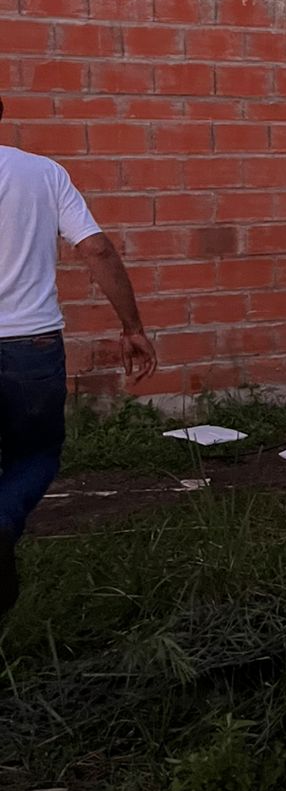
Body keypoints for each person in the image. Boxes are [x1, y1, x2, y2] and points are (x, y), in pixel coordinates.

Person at [0, 99, 156, 617]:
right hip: (31, 346)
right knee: (35, 455)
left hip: (29, 345)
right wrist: (133, 327)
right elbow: (97, 249)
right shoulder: (42, 173)